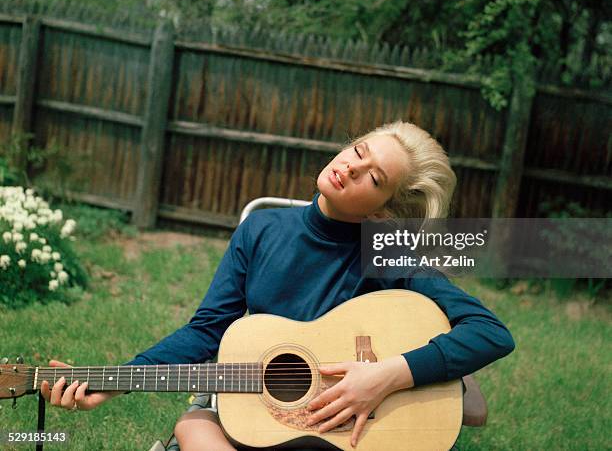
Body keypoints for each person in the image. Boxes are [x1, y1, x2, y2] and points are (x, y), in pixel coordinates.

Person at [41, 120, 515, 450]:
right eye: (358, 151)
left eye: (372, 176)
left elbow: (490, 333)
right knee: (194, 427)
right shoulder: (262, 230)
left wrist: (384, 376)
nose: (349, 167)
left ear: (382, 211)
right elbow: (208, 330)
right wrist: (114, 383)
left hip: (342, 430)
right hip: (265, 411)